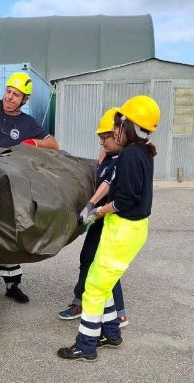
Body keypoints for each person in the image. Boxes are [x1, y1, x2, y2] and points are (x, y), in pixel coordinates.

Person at [58, 95, 160, 361]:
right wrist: (93, 204)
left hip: (123, 230)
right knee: (106, 281)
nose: (113, 130)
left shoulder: (129, 156)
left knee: (93, 287)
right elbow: (117, 185)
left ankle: (86, 345)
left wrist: (98, 212)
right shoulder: (144, 152)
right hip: (130, 229)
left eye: (117, 124)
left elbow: (125, 199)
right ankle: (111, 332)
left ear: (127, 125)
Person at [0, 71, 59, 304]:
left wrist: (34, 142)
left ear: (25, 100)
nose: (9, 98)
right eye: (8, 92)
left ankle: (12, 285)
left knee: (6, 231)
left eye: (16, 95)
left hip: (4, 186)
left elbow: (53, 144)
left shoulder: (28, 124)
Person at [57, 108, 128, 328]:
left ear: (119, 134)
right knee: (90, 259)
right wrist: (103, 152)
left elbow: (107, 184)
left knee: (102, 265)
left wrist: (90, 207)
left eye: (105, 137)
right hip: (101, 219)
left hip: (110, 218)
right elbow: (100, 172)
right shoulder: (111, 156)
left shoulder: (124, 160)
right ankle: (89, 303)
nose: (102, 142)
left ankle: (117, 312)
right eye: (100, 138)